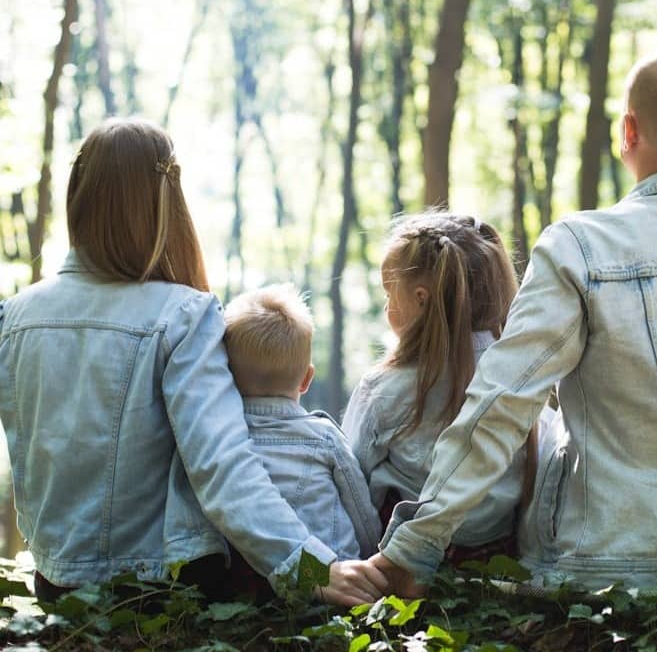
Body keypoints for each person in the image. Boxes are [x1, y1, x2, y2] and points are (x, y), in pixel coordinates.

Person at [369, 48, 657, 594]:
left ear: (627, 131)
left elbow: (502, 403)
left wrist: (415, 547)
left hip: (605, 571)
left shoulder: (581, 247)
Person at [0, 119, 386, 605]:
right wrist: (310, 568)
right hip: (159, 590)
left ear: (78, 194)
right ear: (165, 204)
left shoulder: (13, 316)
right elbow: (222, 466)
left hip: (55, 586)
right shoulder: (183, 315)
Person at [342, 211, 533, 562]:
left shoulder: (385, 388)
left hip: (404, 559)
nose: (387, 306)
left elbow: (352, 478)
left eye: (389, 293)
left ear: (420, 298)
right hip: (496, 554)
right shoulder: (520, 377)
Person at [222, 283, 380, 567]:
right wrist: (370, 555)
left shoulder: (220, 440)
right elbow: (361, 512)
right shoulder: (324, 437)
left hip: (253, 583)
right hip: (334, 574)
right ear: (307, 379)